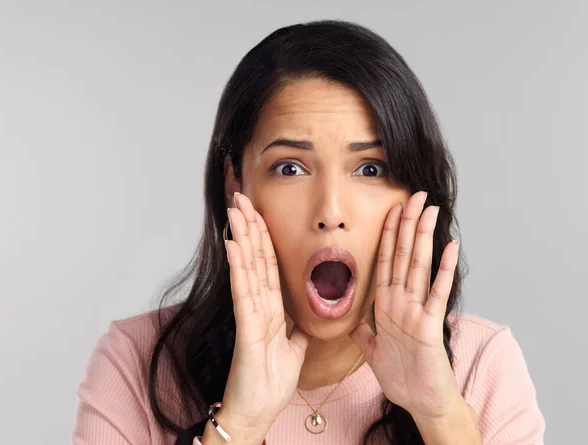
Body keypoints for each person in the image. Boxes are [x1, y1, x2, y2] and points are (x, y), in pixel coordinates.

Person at [72, 20, 545, 445]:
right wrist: (242, 421)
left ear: (414, 192)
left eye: (370, 168)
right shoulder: (134, 363)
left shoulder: (483, 364)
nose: (330, 212)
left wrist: (440, 416)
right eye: (291, 168)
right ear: (235, 183)